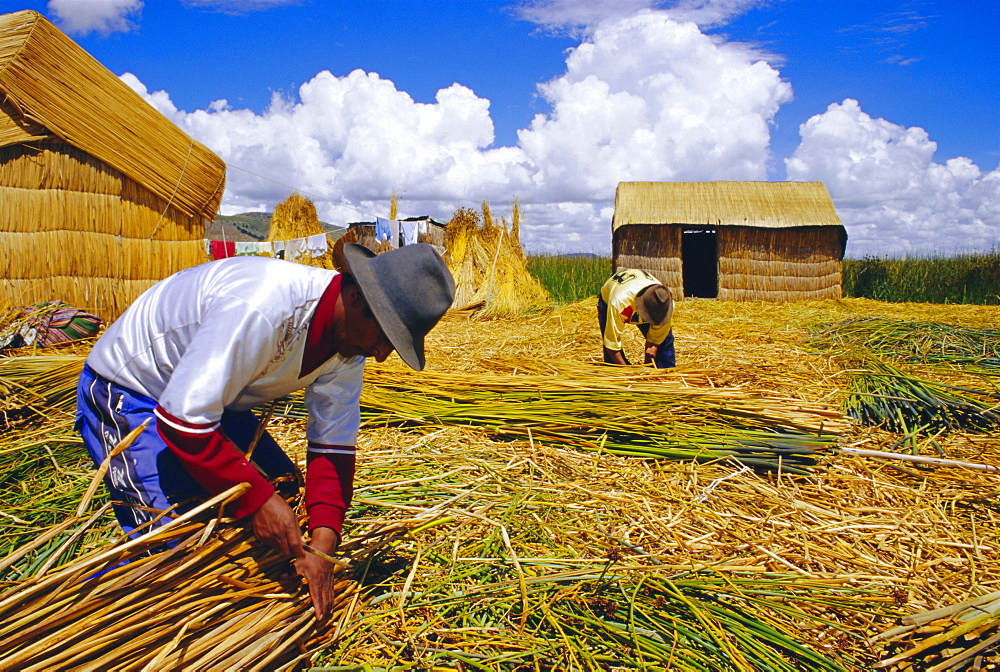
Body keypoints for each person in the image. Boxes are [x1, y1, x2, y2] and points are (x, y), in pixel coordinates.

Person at [75, 242, 455, 620]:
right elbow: (184, 422)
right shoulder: (263, 307)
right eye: (386, 337)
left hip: (217, 401)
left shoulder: (350, 344)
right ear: (356, 297)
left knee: (286, 494)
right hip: (134, 392)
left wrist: (323, 547)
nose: (382, 354)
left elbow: (333, 449)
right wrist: (256, 501)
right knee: (171, 549)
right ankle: (83, 611)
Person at [597, 268, 675, 368]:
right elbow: (612, 342)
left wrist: (649, 367)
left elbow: (654, 341)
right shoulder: (620, 302)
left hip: (641, 297)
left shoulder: (664, 302)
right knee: (613, 361)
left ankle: (666, 371)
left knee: (664, 342)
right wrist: (627, 372)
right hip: (612, 297)